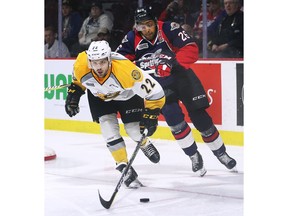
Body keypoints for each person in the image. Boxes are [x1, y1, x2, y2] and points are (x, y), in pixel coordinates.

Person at [116, 5, 237, 176]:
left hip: (182, 77)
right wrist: (134, 69)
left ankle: (221, 153)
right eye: (142, 26)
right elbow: (119, 61)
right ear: (137, 26)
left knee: (201, 118)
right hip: (160, 86)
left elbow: (191, 48)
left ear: (155, 22)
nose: (146, 29)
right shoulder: (131, 38)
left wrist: (171, 63)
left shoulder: (168, 28)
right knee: (175, 121)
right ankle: (194, 156)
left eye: (149, 24)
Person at [64, 40, 165, 187]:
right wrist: (74, 94)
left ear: (109, 60)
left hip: (127, 96)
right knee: (108, 129)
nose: (98, 67)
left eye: (102, 62)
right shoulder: (81, 63)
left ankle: (144, 143)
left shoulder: (127, 71)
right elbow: (78, 80)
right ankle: (123, 165)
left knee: (134, 131)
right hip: (100, 97)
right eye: (94, 63)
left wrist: (152, 114)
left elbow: (156, 92)